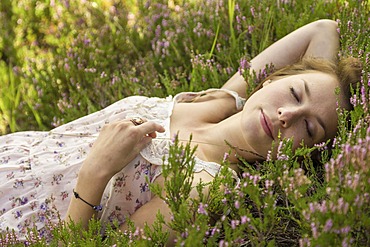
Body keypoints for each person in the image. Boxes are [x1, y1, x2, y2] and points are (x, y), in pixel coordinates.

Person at [0, 19, 361, 243]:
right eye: (295, 93)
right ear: (270, 78)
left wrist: (95, 173)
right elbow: (323, 28)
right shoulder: (220, 102)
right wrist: (340, 86)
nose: (287, 115)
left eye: (309, 128)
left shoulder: (202, 189)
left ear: (302, 154)